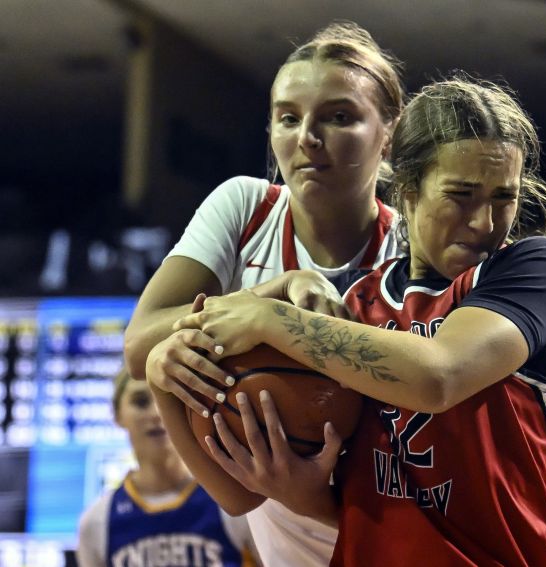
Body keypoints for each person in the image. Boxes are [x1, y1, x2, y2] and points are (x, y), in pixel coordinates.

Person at [153, 77, 546, 567]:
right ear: (407, 189)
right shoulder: (352, 302)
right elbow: (239, 495)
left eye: (503, 198)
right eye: (462, 195)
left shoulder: (533, 269)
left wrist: (270, 316)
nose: (485, 222)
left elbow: (439, 376)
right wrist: (165, 379)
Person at [122, 21, 405, 566]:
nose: (307, 138)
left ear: (388, 132)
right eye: (288, 117)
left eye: (338, 116)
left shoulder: (411, 249)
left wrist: (267, 319)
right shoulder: (246, 207)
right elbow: (139, 346)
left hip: (394, 545)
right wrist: (273, 292)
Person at [76, 367, 260, 567]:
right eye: (141, 402)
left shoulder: (235, 499)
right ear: (117, 415)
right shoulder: (97, 521)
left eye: (169, 400)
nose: (156, 413)